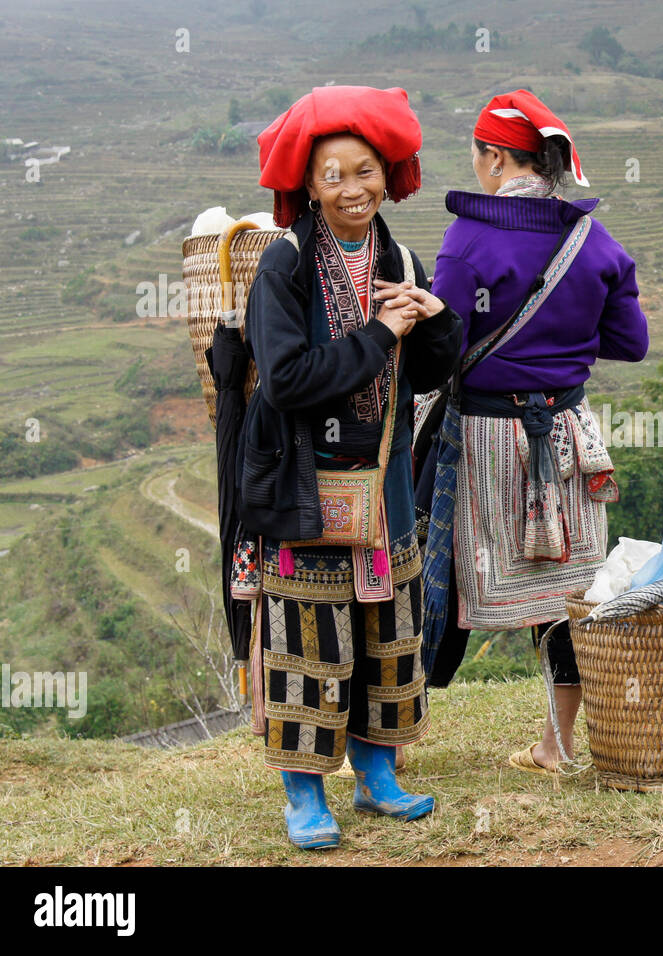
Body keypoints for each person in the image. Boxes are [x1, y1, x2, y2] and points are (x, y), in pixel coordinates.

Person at [236, 86, 462, 849]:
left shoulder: (398, 257)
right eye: (333, 175)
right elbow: (286, 378)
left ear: (387, 174)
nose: (352, 189)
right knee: (308, 640)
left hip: (385, 484)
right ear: (308, 186)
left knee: (383, 630)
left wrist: (434, 323)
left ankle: (378, 773)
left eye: (364, 171)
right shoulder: (285, 266)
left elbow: (428, 374)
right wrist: (377, 332)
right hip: (305, 483)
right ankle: (303, 794)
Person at [424, 90, 648, 773]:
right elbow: (630, 341)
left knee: (437, 579)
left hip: (487, 440)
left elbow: (441, 349)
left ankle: (390, 742)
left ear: (494, 157)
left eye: (478, 155)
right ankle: (557, 744)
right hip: (569, 438)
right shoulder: (591, 239)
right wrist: (560, 346)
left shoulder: (468, 240)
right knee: (568, 592)